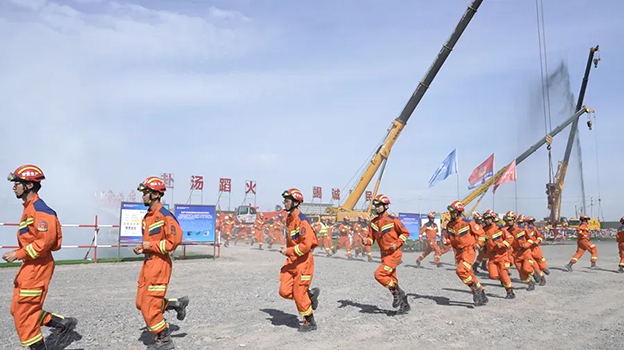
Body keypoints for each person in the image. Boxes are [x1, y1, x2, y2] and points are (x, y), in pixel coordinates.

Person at [3, 165, 78, 350]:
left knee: (25, 315)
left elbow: (44, 242)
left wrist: (18, 253)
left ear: (28, 185)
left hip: (38, 267)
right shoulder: (29, 208)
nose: (14, 187)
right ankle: (62, 324)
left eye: (17, 183)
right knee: (18, 309)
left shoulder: (40, 210)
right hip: (30, 265)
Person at [134, 176, 189, 350]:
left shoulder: (165, 217)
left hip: (159, 265)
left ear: (156, 194)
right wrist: (144, 248)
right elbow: (151, 241)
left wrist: (150, 246)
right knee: (141, 303)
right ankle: (174, 304)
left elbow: (173, 243)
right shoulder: (148, 217)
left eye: (146, 193)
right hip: (148, 263)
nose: (143, 196)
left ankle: (164, 340)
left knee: (149, 306)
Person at [279, 188, 320, 332]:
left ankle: (310, 322)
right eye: (285, 200)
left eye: (287, 200)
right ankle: (309, 295)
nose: (285, 203)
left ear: (296, 202)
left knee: (298, 292)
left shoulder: (302, 221)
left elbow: (306, 246)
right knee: (284, 291)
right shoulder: (289, 218)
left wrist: (288, 251)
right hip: (292, 261)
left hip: (303, 262)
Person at [362, 194, 410, 312]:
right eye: (376, 205)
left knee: (380, 274)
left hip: (394, 253)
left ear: (386, 206)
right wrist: (365, 241)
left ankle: (397, 293)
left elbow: (405, 233)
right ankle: (405, 304)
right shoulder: (373, 223)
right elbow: (371, 239)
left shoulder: (393, 220)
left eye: (380, 205)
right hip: (384, 254)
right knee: (392, 279)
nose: (377, 208)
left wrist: (397, 243)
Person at [445, 201, 488, 306]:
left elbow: (481, 233)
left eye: (453, 212)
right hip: (458, 253)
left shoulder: (468, 223)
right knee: (470, 274)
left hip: (468, 251)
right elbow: (450, 238)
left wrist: (479, 243)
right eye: (450, 212)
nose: (451, 214)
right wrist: (446, 242)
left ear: (459, 212)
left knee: (460, 271)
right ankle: (482, 295)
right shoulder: (449, 225)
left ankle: (474, 289)